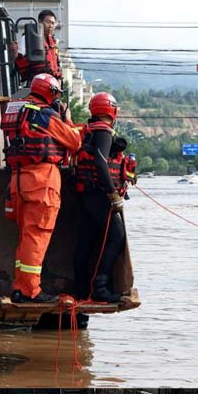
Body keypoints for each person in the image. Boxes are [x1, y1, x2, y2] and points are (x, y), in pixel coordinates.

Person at [2, 73, 83, 302]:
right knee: (36, 237)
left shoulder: (18, 112)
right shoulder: (45, 115)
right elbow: (74, 142)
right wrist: (66, 118)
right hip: (41, 181)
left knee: (27, 238)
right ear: (51, 93)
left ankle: (20, 287)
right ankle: (29, 290)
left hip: (18, 181)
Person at [71, 92, 127, 303]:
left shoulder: (87, 131)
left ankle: (81, 290)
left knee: (86, 241)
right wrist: (113, 193)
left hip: (85, 194)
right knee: (117, 237)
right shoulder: (103, 132)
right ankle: (100, 288)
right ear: (112, 110)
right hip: (98, 195)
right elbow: (101, 164)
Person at [12, 9, 61, 86]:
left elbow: (57, 65)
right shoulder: (28, 38)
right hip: (36, 83)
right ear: (40, 22)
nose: (50, 26)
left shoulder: (53, 43)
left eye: (53, 23)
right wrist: (13, 50)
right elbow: (17, 58)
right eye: (48, 22)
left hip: (51, 85)